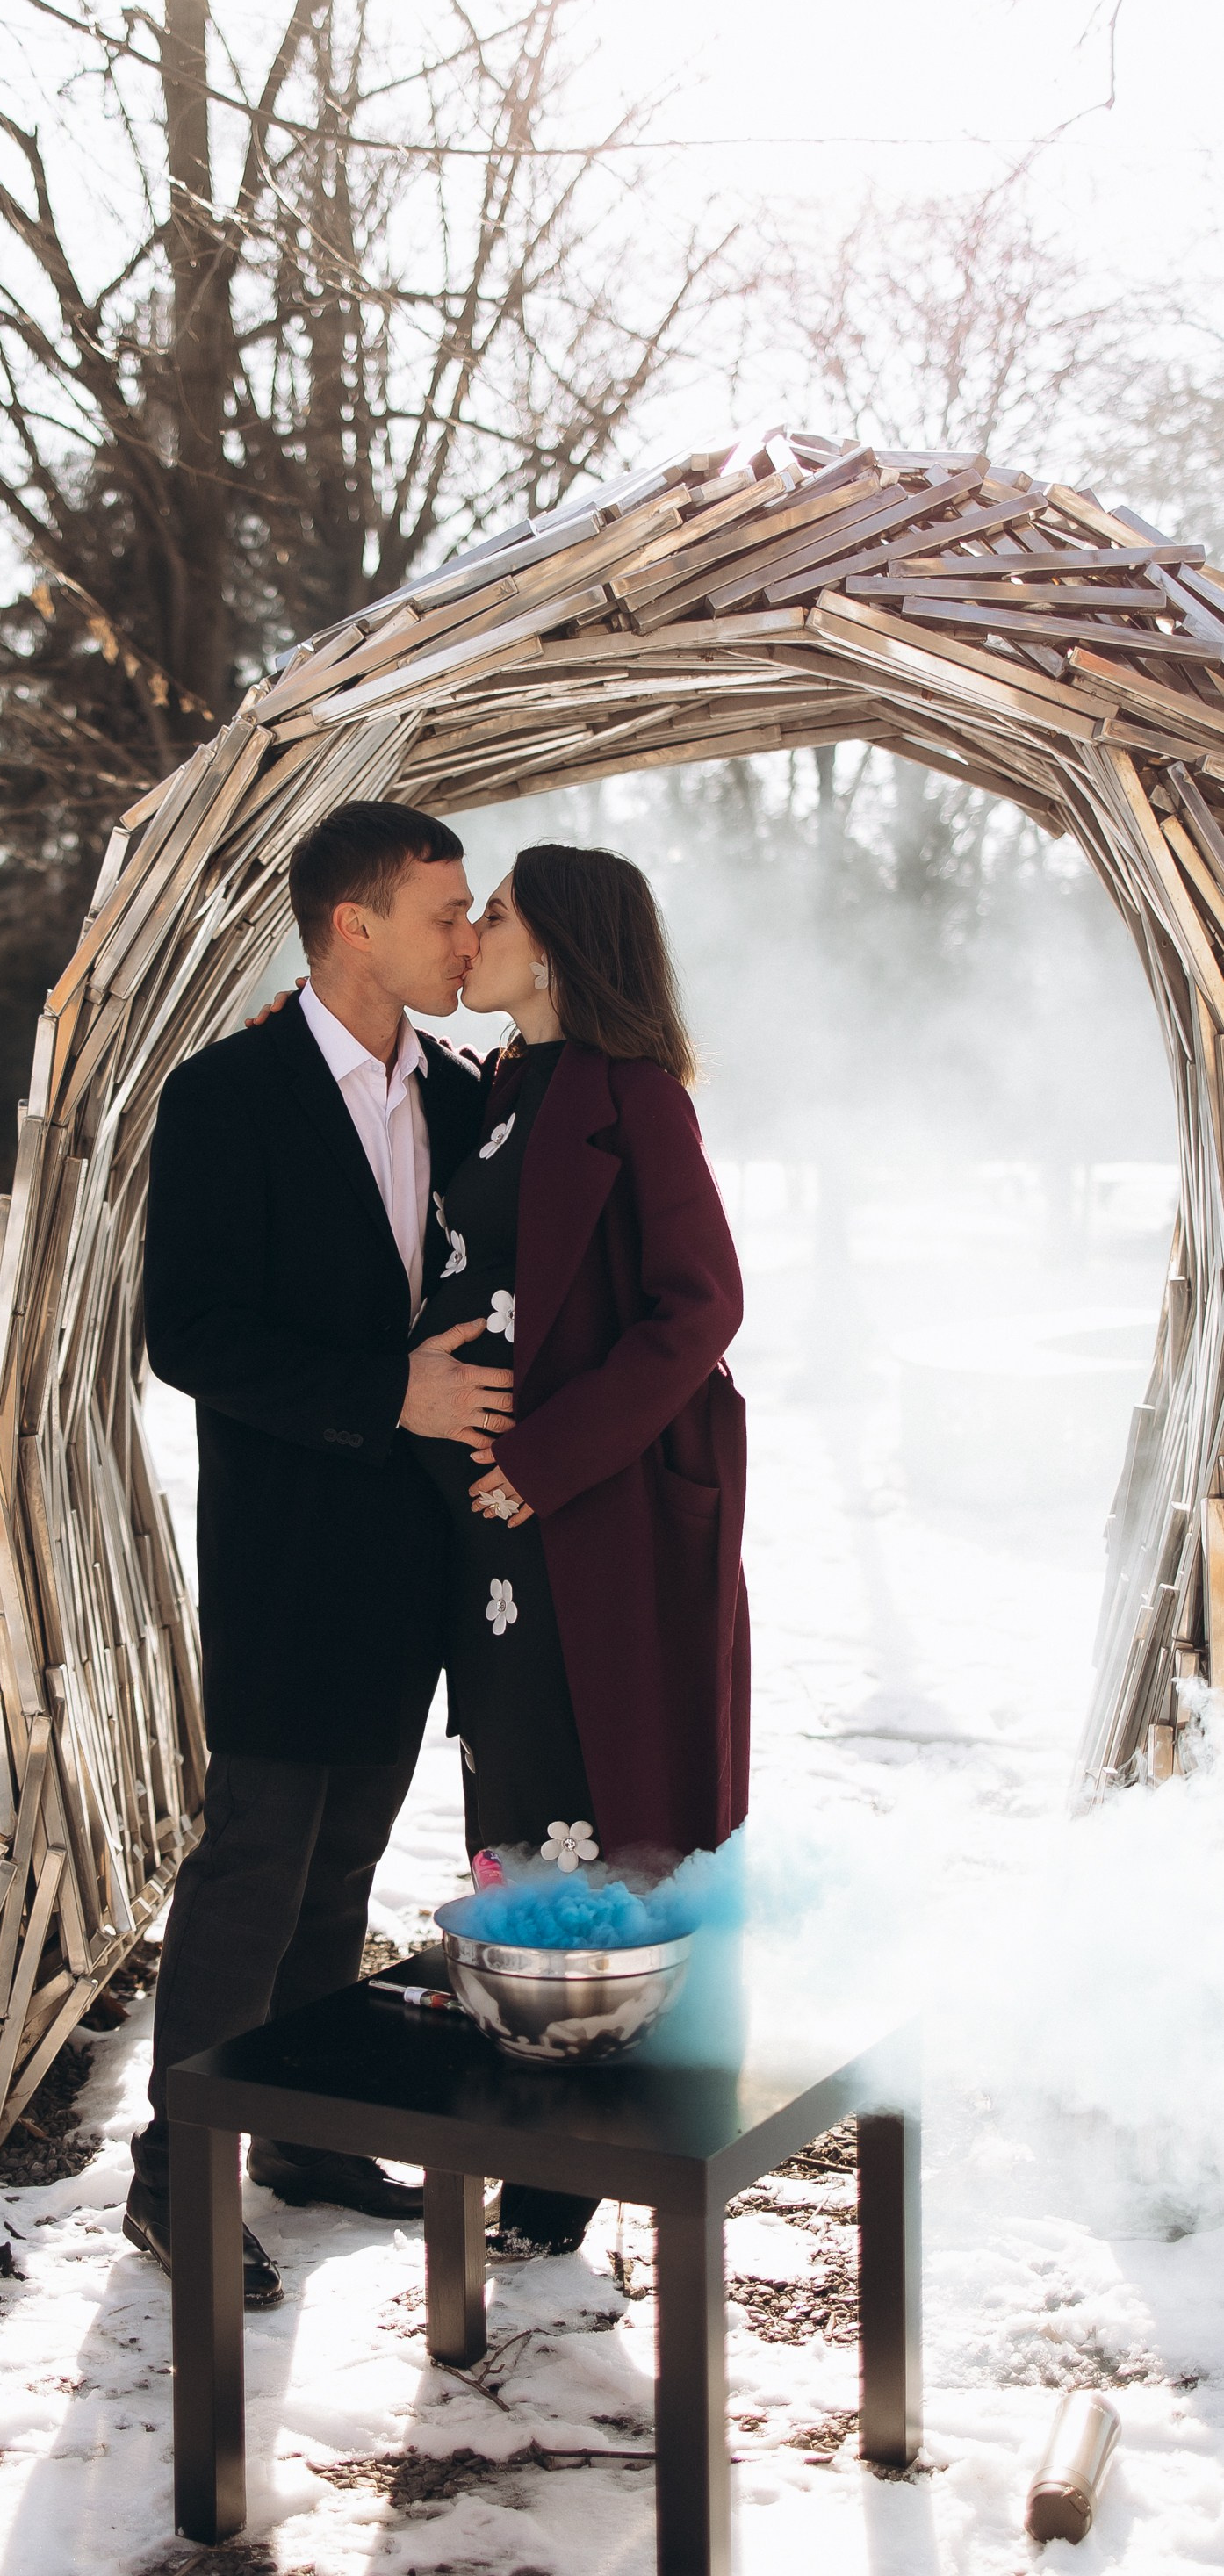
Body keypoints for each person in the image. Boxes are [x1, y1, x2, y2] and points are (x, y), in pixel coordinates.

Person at [128, 801, 505, 2306]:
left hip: (420, 1550)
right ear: (354, 923)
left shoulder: (470, 1096)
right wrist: (386, 1394)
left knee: (348, 1855)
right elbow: (189, 1335)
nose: (466, 938)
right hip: (286, 1549)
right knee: (253, 1867)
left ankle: (299, 2137)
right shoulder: (224, 1096)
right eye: (443, 912)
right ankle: (176, 2179)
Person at [407, 844, 749, 2256]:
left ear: (554, 951)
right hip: (486, 1541)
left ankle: (610, 2148)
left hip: (600, 1521)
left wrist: (542, 1464)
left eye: (493, 916)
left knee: (615, 1809)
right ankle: (539, 2113)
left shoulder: (635, 1100)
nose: (471, 933)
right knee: (517, 1796)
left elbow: (700, 1310)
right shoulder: (488, 1093)